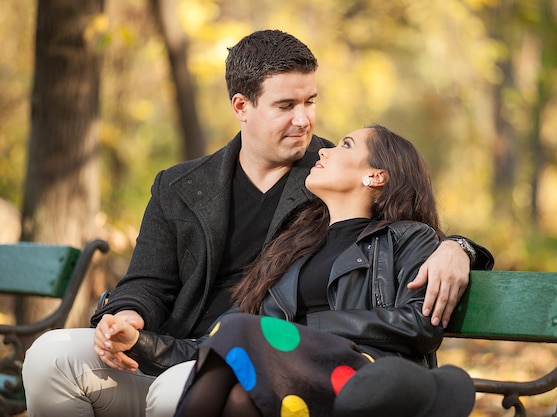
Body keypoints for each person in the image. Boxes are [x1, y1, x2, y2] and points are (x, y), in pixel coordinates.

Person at [22, 30, 493, 417]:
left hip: (259, 363)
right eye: (286, 106)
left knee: (184, 388)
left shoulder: (326, 176)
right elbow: (146, 281)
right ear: (242, 106)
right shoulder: (179, 185)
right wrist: (125, 319)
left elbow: (398, 215)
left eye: (311, 101)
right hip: (170, 349)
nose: (305, 121)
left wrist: (460, 248)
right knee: (51, 356)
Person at [98, 125, 478, 417]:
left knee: (238, 332)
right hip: (292, 374)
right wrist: (139, 342)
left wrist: (309, 327)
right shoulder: (294, 248)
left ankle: (411, 395)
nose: (325, 151)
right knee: (236, 396)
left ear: (376, 176)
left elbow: (421, 325)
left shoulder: (409, 237)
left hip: (366, 371)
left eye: (345, 145)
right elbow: (215, 342)